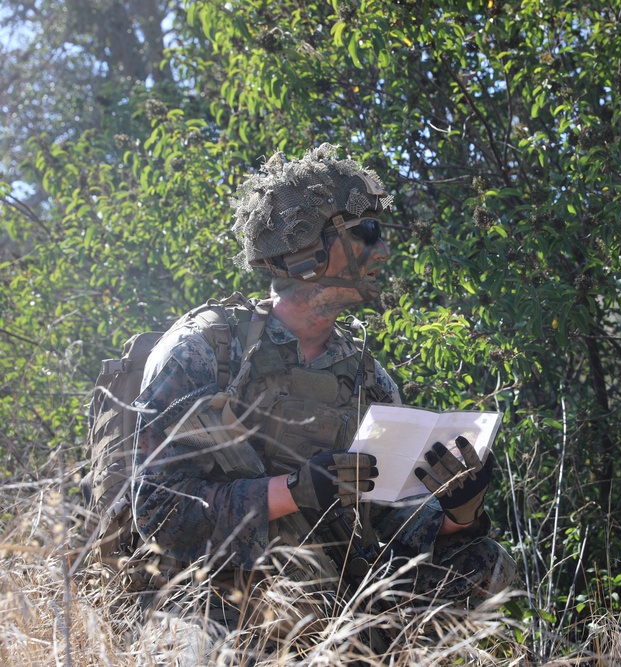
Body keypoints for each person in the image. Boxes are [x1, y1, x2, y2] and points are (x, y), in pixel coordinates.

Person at [124, 144, 516, 660]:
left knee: (483, 563)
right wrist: (296, 490)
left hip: (329, 598)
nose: (382, 253)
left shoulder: (366, 380)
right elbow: (155, 512)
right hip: (210, 597)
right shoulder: (207, 351)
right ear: (307, 247)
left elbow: (389, 528)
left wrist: (457, 513)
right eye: (365, 233)